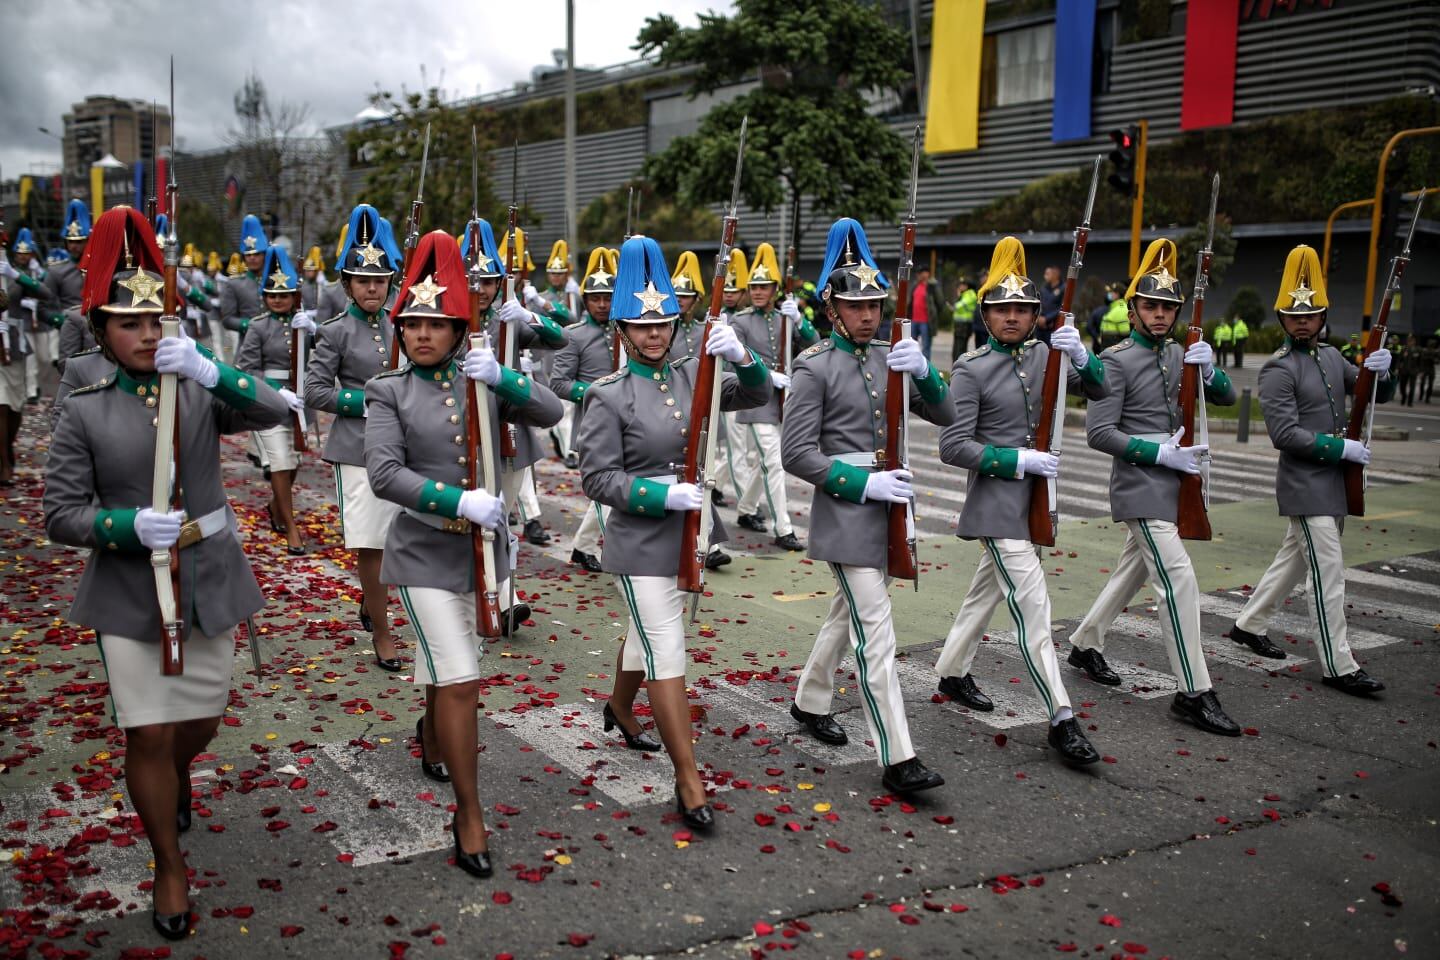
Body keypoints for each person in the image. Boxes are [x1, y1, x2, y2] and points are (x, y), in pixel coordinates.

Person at [44, 207, 288, 939]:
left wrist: (213, 370)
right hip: (128, 588)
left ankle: (175, 776)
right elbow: (61, 514)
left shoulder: (198, 385)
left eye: (156, 321)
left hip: (207, 574)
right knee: (147, 733)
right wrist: (122, 526)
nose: (148, 334)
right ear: (102, 331)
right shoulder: (84, 408)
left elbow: (274, 410)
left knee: (200, 722)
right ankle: (169, 865)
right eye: (130, 323)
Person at [366, 228, 562, 875]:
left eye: (436, 323)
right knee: (462, 678)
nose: (423, 335)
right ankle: (469, 813)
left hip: (479, 557)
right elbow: (384, 475)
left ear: (457, 328)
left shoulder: (479, 378)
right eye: (413, 324)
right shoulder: (387, 390)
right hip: (422, 553)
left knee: (448, 670)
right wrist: (457, 502)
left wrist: (505, 377)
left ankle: (429, 732)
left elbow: (550, 412)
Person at [578, 234, 771, 829]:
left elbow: (758, 394)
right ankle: (688, 778)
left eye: (661, 322)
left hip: (689, 532)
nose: (654, 334)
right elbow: (597, 478)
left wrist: (742, 356)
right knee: (665, 644)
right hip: (638, 539)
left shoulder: (695, 374)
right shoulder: (607, 394)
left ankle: (619, 707)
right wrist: (661, 494)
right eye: (641, 325)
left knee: (648, 633)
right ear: (622, 330)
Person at [784, 218, 955, 794]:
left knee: (849, 613)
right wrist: (861, 484)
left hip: (890, 507)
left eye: (875, 305)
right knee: (876, 630)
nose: (868, 315)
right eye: (856, 306)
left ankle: (810, 700)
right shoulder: (813, 365)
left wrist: (925, 372)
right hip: (847, 510)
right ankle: (898, 755)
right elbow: (796, 453)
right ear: (832, 309)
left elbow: (947, 414)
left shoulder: (889, 355)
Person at [935, 237, 1107, 765]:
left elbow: (1099, 390)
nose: (1012, 317)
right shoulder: (971, 368)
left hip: (1034, 500)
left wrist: (1083, 356)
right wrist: (1016, 460)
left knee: (985, 592)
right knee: (1033, 606)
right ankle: (1061, 715)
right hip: (996, 503)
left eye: (1022, 309)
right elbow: (953, 445)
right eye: (1002, 309)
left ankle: (951, 671)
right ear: (986, 315)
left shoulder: (1047, 357)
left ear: (1036, 316)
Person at [1067, 239, 1243, 737]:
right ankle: (1194, 691)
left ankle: (1085, 643)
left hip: (1175, 482)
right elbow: (1100, 433)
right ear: (1133, 310)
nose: (1161, 314)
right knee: (1178, 578)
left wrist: (1210, 369)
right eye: (1151, 305)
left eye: (1168, 306)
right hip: (1140, 485)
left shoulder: (1183, 354)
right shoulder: (1116, 359)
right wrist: (1158, 453)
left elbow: (1227, 397)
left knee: (1135, 570)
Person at [1227, 246, 1393, 697]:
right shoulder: (1277, 369)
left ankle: (1248, 624)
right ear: (1282, 318)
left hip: (1333, 484)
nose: (1303, 322)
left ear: (1322, 317)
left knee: (1294, 561)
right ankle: (1338, 665)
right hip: (1305, 485)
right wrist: (1341, 448)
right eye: (1294, 316)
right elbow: (1285, 435)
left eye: (1311, 315)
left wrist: (1381, 371)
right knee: (1327, 575)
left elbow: (1369, 393)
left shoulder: (1333, 358)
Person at [304, 204, 405, 669]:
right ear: (347, 284)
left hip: (403, 443)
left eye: (380, 280)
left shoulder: (402, 322)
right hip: (357, 446)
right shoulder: (335, 332)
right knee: (372, 540)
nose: (372, 288)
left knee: (400, 535)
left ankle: (372, 600)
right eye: (363, 281)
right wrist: (369, 400)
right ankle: (382, 632)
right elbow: (316, 391)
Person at [730, 242, 817, 551]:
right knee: (775, 461)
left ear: (775, 289)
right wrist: (767, 375)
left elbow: (814, 345)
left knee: (763, 464)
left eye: (763, 286)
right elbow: (732, 362)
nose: (757, 292)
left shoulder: (784, 318)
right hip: (755, 401)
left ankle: (745, 509)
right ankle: (784, 528)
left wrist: (800, 321)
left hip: (784, 400)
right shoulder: (740, 321)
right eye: (753, 286)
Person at [235, 244, 312, 555]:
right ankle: (291, 526)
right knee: (279, 461)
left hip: (300, 404)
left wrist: (314, 330)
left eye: (284, 295)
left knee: (293, 463)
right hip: (270, 402)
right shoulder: (258, 326)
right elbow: (246, 367)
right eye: (272, 295)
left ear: (294, 296)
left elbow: (325, 355)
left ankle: (275, 505)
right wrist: (276, 391)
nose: (278, 300)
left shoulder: (302, 323)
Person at [496, 226, 568, 549]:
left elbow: (561, 332)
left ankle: (531, 518)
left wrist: (530, 312)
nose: (512, 277)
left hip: (518, 392)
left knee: (521, 458)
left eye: (517, 272)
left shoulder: (526, 299)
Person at [551, 247, 620, 573]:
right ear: (586, 300)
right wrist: (596, 393)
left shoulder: (625, 330)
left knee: (611, 492)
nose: (602, 304)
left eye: (608, 297)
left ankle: (583, 546)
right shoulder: (574, 335)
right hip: (593, 424)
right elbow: (558, 383)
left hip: (629, 423)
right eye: (596, 298)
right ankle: (618, 555)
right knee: (607, 489)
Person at [1, 228, 58, 482]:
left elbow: (46, 294)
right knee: (0, 405)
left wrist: (16, 276)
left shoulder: (14, 275)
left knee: (14, 407)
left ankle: (6, 447)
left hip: (13, 346)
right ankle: (4, 463)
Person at [535, 239, 581, 465]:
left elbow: (579, 320)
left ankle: (568, 447)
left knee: (572, 407)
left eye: (560, 273)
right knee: (562, 405)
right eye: (553, 273)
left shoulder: (575, 295)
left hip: (577, 354)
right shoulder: (542, 298)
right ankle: (569, 451)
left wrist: (577, 295)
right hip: (552, 357)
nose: (556, 277)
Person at [49, 200, 91, 367]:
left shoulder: (98, 269)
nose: (74, 246)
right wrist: (62, 321)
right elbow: (44, 307)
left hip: (94, 331)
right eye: (70, 241)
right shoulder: (56, 271)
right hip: (68, 330)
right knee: (68, 370)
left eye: (79, 241)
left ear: (88, 241)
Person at [669, 250, 707, 362]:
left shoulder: (705, 330)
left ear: (696, 299)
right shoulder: (665, 331)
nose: (678, 300)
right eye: (675, 296)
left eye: (685, 297)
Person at [909, 264, 943, 361]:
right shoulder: (915, 285)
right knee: (911, 345)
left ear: (927, 274)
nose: (918, 275)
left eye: (921, 273)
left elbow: (940, 302)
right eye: (918, 273)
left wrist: (934, 315)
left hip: (926, 321)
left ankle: (926, 366)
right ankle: (912, 364)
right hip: (914, 320)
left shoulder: (932, 286)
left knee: (926, 347)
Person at [951, 276, 977, 363]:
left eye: (962, 285)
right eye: (960, 285)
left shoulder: (970, 294)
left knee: (960, 348)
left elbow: (959, 306)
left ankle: (959, 365)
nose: (960, 287)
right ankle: (955, 365)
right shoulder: (964, 294)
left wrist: (958, 298)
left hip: (965, 325)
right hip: (959, 325)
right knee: (956, 348)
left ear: (967, 286)